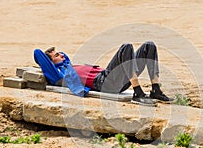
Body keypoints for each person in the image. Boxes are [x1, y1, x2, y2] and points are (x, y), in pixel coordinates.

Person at [44, 41, 173, 106]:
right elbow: (38, 54)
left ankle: (156, 90)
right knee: (126, 47)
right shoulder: (61, 73)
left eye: (60, 52)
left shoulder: (72, 66)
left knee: (149, 46)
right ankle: (137, 92)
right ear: (51, 63)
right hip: (103, 82)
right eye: (56, 55)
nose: (61, 55)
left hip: (114, 79)